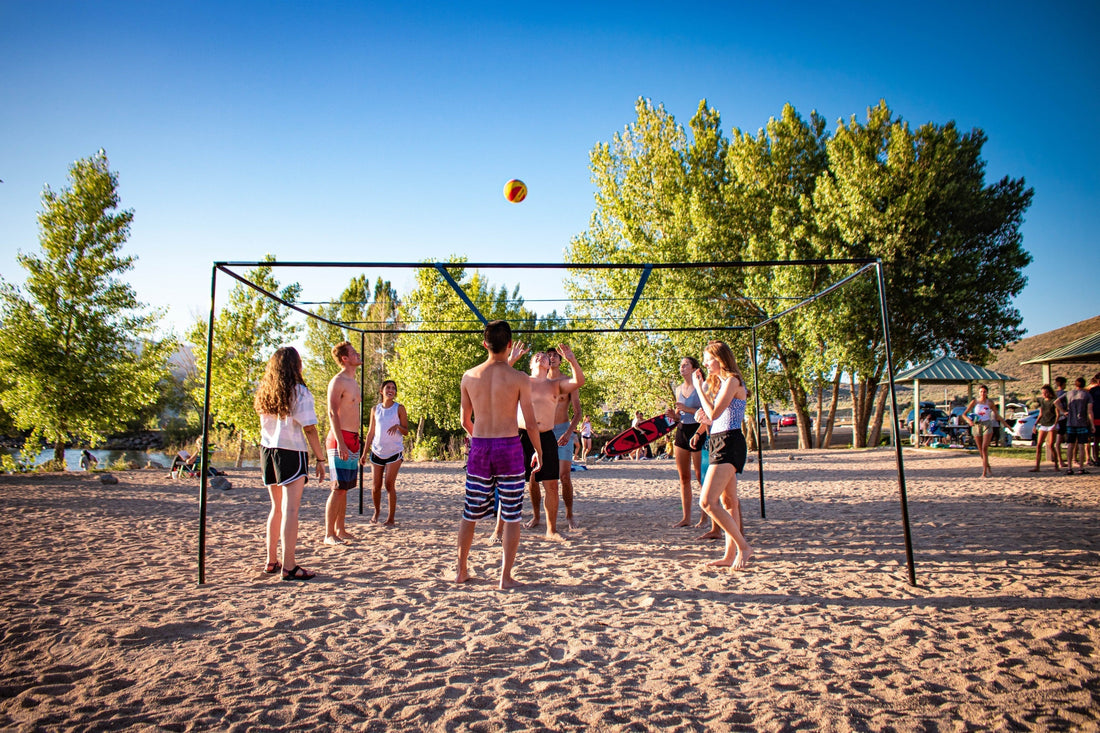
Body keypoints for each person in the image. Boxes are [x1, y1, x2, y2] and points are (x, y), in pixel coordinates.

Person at [455, 320, 542, 590]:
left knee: (470, 512)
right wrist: (540, 452)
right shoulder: (519, 378)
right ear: (508, 345)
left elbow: (463, 420)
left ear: (485, 344)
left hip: (481, 446)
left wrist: (478, 437)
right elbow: (530, 421)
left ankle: (461, 571)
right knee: (513, 513)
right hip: (509, 447)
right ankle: (505, 577)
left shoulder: (469, 376)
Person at [254, 346, 327, 581]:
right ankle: (290, 565)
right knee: (291, 510)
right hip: (291, 450)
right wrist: (320, 458)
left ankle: (271, 561)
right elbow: (310, 428)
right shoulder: (299, 392)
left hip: (268, 451)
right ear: (296, 366)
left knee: (276, 508)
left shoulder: (266, 391)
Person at [692, 340, 753, 571]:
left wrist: (699, 388)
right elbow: (716, 417)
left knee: (707, 501)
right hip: (719, 439)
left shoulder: (733, 380)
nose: (706, 364)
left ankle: (743, 547)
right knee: (729, 502)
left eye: (708, 359)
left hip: (730, 442)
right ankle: (729, 555)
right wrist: (704, 420)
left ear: (719, 359)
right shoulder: (722, 384)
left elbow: (716, 413)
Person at [324, 341, 363, 545]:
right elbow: (332, 412)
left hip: (353, 437)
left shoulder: (354, 382)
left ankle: (341, 528)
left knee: (345, 487)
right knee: (337, 487)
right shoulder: (337, 381)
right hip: (339, 438)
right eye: (353, 353)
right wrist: (340, 441)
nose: (357, 354)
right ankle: (329, 533)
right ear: (344, 359)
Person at [362, 379, 408, 525]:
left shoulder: (399, 408)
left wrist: (398, 427)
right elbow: (370, 432)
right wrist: (363, 453)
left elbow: (406, 431)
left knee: (389, 484)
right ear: (381, 391)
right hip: (376, 451)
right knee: (376, 486)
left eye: (393, 388)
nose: (391, 390)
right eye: (388, 387)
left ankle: (391, 518)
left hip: (394, 452)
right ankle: (376, 512)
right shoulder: (375, 410)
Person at [546, 347, 583, 530]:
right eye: (549, 355)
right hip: (544, 431)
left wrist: (569, 433)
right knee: (539, 477)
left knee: (564, 476)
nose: (552, 358)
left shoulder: (568, 381)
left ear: (560, 360)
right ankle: (538, 516)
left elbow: (578, 412)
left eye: (555, 355)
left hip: (563, 430)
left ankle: (569, 514)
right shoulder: (539, 381)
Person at [671, 356, 709, 529]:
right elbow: (680, 415)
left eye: (686, 365)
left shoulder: (702, 387)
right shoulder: (678, 388)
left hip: (698, 430)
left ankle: (704, 517)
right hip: (681, 431)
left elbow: (707, 412)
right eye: (681, 365)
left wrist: (687, 409)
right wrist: (674, 416)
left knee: (700, 477)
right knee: (683, 478)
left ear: (694, 369)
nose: (682, 368)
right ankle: (686, 517)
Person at [963, 385, 1003, 478]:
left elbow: (997, 415)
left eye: (984, 391)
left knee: (985, 448)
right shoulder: (974, 402)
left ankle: (984, 472)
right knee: (981, 450)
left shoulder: (990, 403)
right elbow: (964, 414)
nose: (983, 393)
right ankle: (987, 466)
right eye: (981, 391)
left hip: (987, 424)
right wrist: (969, 421)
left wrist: (1007, 425)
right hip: (977, 425)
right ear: (979, 392)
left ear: (987, 392)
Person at [1063, 377, 1096, 475]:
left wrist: (1064, 411)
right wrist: (1092, 424)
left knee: (1070, 445)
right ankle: (1081, 468)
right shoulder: (1087, 395)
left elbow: (1056, 402)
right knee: (1082, 445)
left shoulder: (1069, 393)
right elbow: (1089, 411)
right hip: (1082, 423)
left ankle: (1069, 467)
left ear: (1075, 384)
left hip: (1070, 422)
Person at [1029, 384, 1064, 472]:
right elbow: (1041, 414)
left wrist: (1055, 425)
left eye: (1046, 392)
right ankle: (1037, 466)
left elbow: (1057, 414)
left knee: (1051, 445)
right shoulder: (1043, 401)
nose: (1044, 394)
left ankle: (1056, 465)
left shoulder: (1054, 401)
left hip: (1052, 424)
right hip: (1043, 424)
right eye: (1043, 393)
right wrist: (1035, 424)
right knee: (1039, 445)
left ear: (1049, 392)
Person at [1053, 376, 1068, 468]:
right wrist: (1064, 411)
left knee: (1058, 441)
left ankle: (1059, 459)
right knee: (1063, 439)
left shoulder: (1054, 394)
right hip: (1063, 418)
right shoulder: (1064, 394)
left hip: (1056, 419)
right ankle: (1063, 460)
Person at [1089, 372, 1100, 467]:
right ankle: (1096, 458)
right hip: (1096, 417)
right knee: (1096, 439)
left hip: (1096, 416)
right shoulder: (1093, 390)